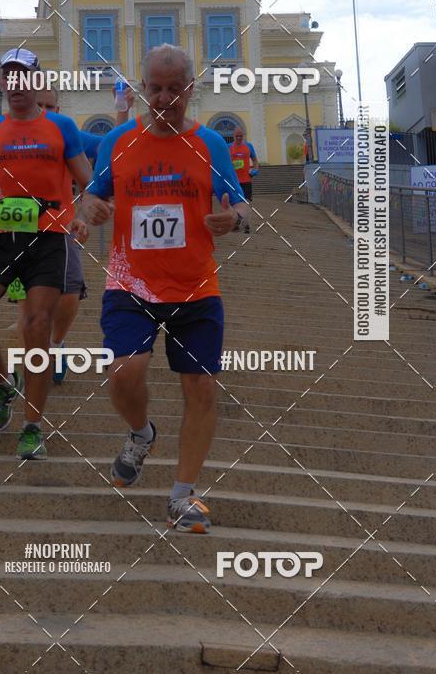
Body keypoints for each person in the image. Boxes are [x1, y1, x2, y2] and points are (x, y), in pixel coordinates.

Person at [81, 44, 248, 533]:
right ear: (142, 89)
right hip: (130, 283)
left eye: (175, 89)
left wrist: (232, 220)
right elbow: (92, 195)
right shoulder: (117, 141)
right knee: (124, 374)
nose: (164, 97)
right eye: (155, 88)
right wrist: (89, 209)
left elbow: (242, 207)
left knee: (201, 388)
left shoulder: (210, 146)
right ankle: (140, 434)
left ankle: (182, 495)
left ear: (190, 90)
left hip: (196, 287)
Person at [0, 48, 92, 460]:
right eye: (9, 76)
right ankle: (5, 383)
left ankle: (32, 425)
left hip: (48, 237)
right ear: (1, 83)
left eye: (24, 76)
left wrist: (87, 212)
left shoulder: (61, 127)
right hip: (1, 236)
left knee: (37, 327)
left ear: (37, 82)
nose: (16, 84)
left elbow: (86, 181)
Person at [9, 84, 134, 384]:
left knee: (71, 291)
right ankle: (28, 362)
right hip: (19, 232)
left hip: (62, 228)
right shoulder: (9, 134)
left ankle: (56, 343)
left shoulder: (67, 134)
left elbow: (110, 146)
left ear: (59, 110)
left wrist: (122, 108)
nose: (46, 112)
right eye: (40, 105)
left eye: (51, 106)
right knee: (26, 307)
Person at [228, 127, 258, 233]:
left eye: (241, 136)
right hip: (234, 181)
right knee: (234, 203)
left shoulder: (248, 147)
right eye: (237, 136)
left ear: (243, 136)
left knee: (246, 203)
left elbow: (255, 160)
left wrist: (255, 170)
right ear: (233, 136)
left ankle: (246, 224)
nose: (239, 138)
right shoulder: (229, 148)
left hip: (246, 181)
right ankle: (236, 224)